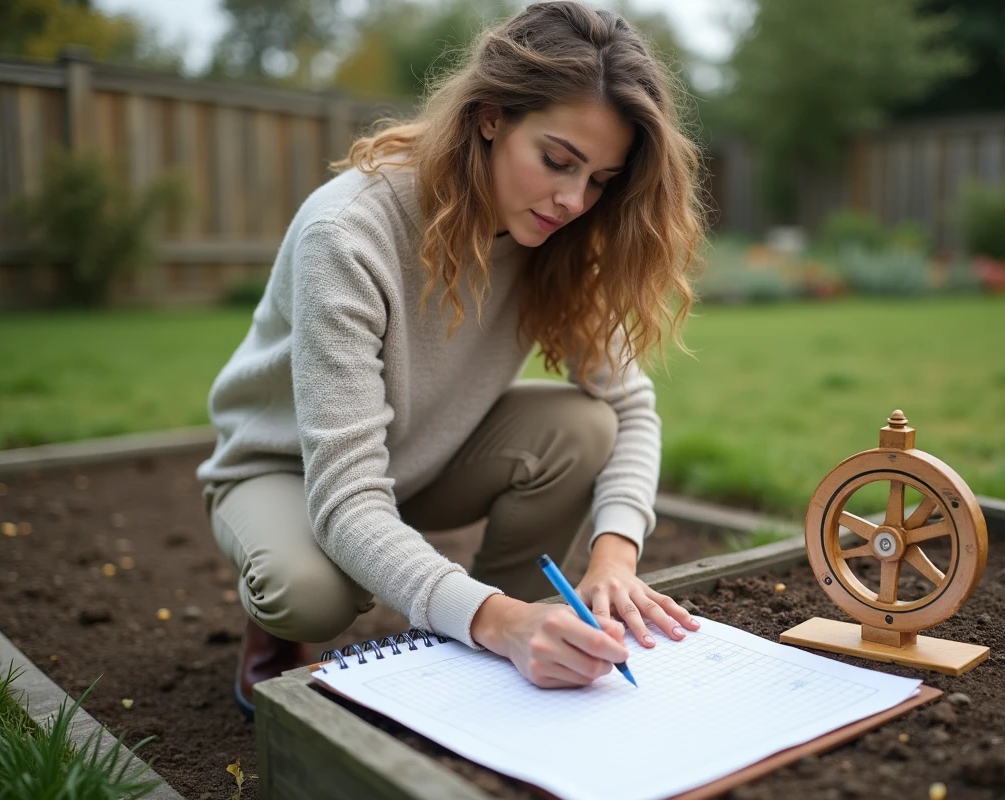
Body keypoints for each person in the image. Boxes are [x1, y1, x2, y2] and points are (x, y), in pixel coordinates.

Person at [196, 0, 709, 720]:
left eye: (599, 180)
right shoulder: (348, 234)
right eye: (557, 161)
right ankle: (470, 623)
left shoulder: (562, 236)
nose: (572, 200)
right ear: (492, 116)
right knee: (311, 593)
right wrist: (500, 622)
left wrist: (614, 555)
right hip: (293, 469)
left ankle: (484, 631)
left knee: (585, 425)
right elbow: (346, 498)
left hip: (426, 457)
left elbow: (628, 408)